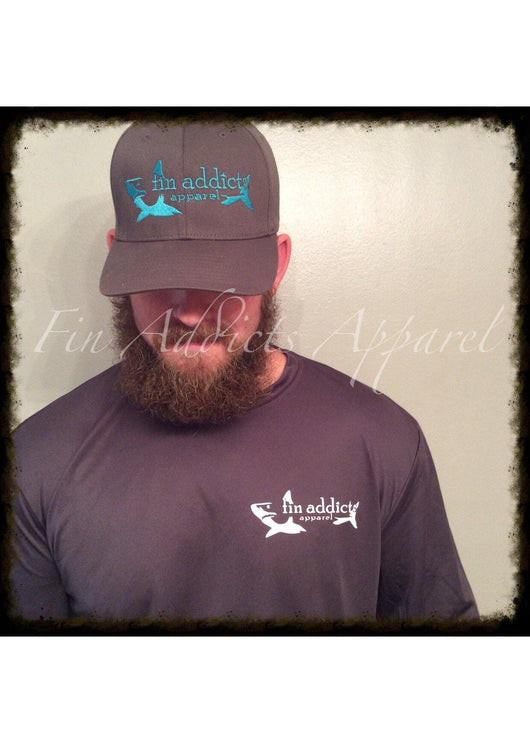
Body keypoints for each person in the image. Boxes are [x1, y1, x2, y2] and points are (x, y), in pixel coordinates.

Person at [9, 119, 478, 624]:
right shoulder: (36, 461)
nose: (189, 313)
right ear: (116, 261)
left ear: (276, 265)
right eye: (158, 277)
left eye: (220, 280)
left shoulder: (381, 441)